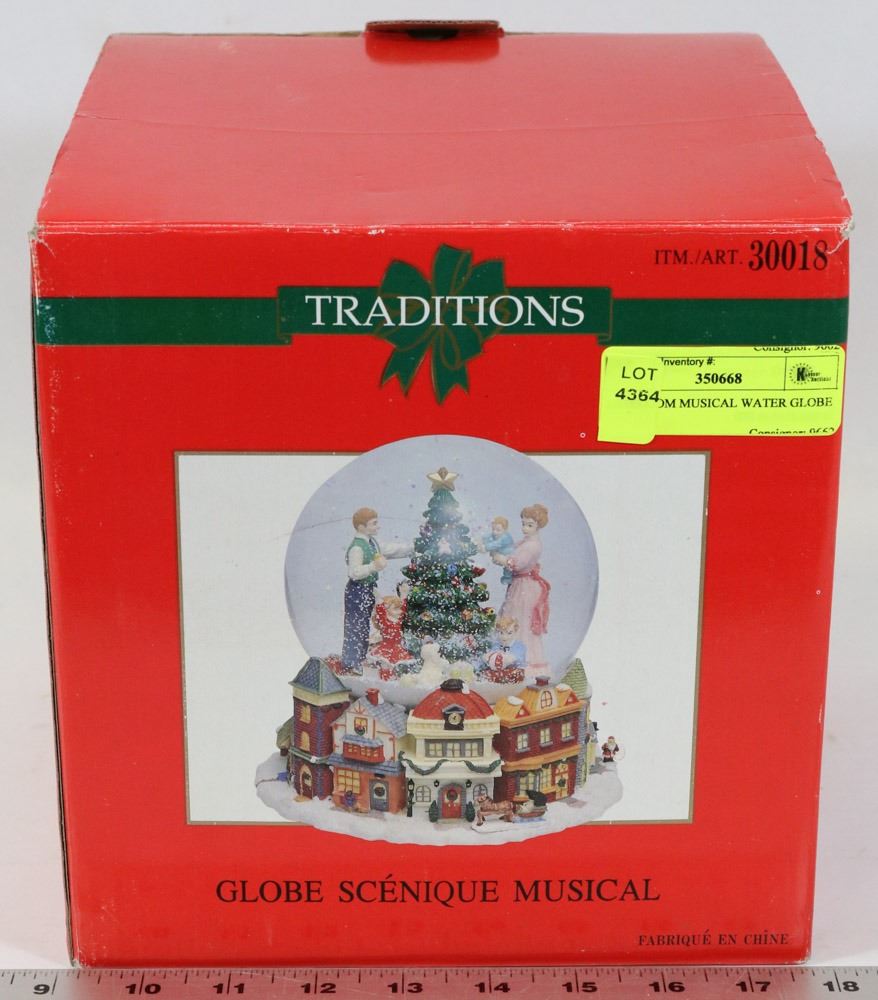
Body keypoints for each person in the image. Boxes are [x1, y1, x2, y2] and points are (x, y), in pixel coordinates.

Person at [342, 507, 411, 672]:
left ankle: (360, 660)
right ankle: (352, 663)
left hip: (368, 588)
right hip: (357, 590)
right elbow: (354, 572)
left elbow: (391, 550)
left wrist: (413, 548)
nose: (377, 526)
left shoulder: (373, 543)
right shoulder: (357, 547)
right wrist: (373, 566)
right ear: (361, 527)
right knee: (356, 626)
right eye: (374, 523)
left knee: (364, 626)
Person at [492, 504, 551, 675]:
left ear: (538, 526)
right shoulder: (526, 541)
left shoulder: (533, 545)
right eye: (524, 524)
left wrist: (502, 559)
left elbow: (517, 564)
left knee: (521, 620)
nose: (525, 528)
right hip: (519, 584)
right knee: (513, 615)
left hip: (525, 587)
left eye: (530, 525)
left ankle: (525, 660)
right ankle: (506, 654)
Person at [481, 516, 515, 585]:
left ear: (505, 530)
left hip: (509, 555)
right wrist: (483, 539)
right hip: (501, 553)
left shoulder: (505, 537)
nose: (495, 532)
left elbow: (496, 544)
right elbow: (489, 536)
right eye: (493, 529)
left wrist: (485, 547)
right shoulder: (496, 534)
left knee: (508, 568)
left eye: (498, 530)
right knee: (506, 567)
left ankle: (508, 578)